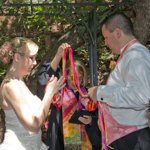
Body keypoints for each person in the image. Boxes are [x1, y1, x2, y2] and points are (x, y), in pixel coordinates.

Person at [88, 12, 150, 150]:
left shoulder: (135, 56)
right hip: (130, 137)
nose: (105, 43)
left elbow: (141, 96)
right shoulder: (131, 55)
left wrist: (101, 92)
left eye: (106, 38)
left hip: (134, 139)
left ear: (117, 33)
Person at [0, 37, 65, 150]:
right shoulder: (10, 86)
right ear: (17, 57)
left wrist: (52, 97)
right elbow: (34, 125)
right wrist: (49, 94)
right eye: (31, 58)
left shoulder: (20, 82)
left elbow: (37, 116)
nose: (35, 62)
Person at [37, 45, 101, 150]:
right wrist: (58, 56)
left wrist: (91, 121)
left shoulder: (87, 96)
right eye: (72, 78)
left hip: (84, 143)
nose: (75, 82)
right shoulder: (58, 92)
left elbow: (98, 120)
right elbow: (44, 79)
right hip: (60, 141)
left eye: (79, 78)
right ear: (66, 76)